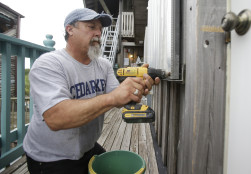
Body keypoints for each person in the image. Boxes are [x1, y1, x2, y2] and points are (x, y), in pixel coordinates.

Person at [23, 8, 160, 174]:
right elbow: (55, 118)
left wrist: (136, 89)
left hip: (87, 149)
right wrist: (113, 98)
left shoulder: (103, 64)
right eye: (91, 27)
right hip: (49, 159)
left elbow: (118, 96)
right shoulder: (49, 64)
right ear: (70, 29)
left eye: (100, 29)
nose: (98, 33)